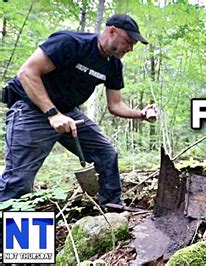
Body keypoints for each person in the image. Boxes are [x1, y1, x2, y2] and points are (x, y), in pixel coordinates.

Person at [0, 14, 155, 206]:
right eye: (128, 41)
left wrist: (141, 114)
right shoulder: (72, 43)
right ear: (112, 31)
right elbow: (27, 72)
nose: (130, 48)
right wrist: (52, 114)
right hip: (31, 109)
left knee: (106, 155)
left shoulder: (113, 65)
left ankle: (112, 207)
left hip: (67, 113)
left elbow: (115, 105)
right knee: (19, 180)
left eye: (133, 45)